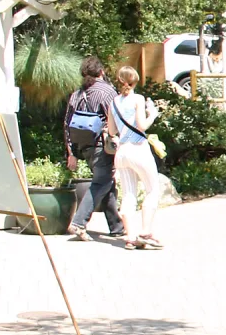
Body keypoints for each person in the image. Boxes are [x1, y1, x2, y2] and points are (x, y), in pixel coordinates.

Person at [62, 56, 126, 241]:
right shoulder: (107, 92)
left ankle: (117, 226)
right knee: (101, 182)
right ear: (101, 72)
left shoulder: (77, 94)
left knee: (106, 182)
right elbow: (118, 118)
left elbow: (67, 124)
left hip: (84, 147)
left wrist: (71, 153)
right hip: (102, 146)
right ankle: (78, 223)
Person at [105, 67, 163, 249]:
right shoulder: (137, 99)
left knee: (128, 194)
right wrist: (152, 114)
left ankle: (130, 237)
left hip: (121, 152)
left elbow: (112, 130)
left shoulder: (113, 102)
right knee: (153, 189)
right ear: (134, 81)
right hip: (138, 148)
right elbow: (142, 125)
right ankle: (145, 232)